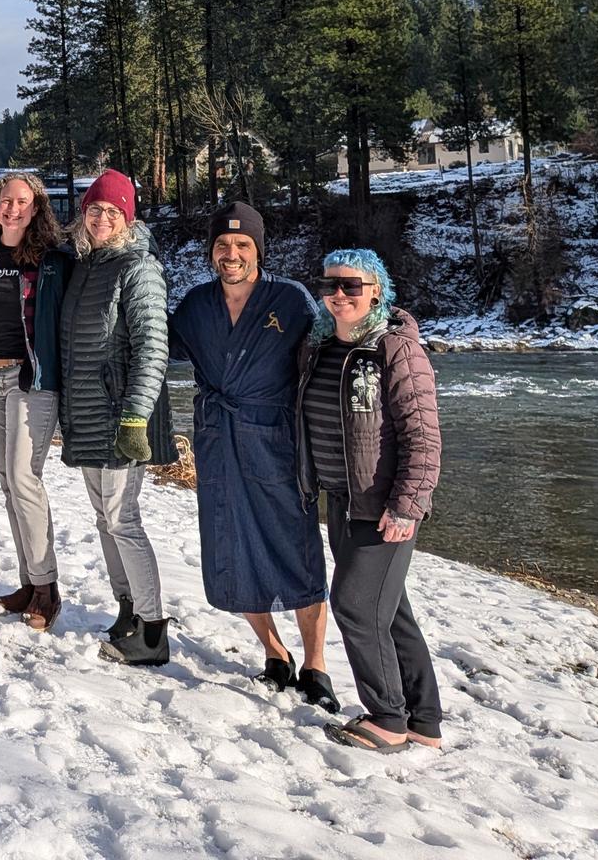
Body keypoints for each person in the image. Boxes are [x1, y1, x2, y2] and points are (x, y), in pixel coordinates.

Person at [169, 201, 335, 708]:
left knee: (297, 546)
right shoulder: (196, 306)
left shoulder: (290, 299)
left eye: (243, 245)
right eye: (222, 245)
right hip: (218, 440)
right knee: (229, 544)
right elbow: (153, 345)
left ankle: (316, 663)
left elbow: (333, 348)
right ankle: (273, 652)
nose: (232, 253)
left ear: (259, 250)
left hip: (278, 441)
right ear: (211, 252)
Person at [295, 249, 445, 752]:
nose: (338, 295)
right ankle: (424, 721)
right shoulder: (317, 345)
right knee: (389, 609)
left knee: (355, 606)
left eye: (351, 286)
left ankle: (386, 717)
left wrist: (408, 504)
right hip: (340, 500)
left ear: (377, 290)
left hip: (383, 505)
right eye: (330, 285)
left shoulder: (396, 349)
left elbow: (422, 435)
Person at [57, 169, 173, 662]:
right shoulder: (85, 265)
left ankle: (152, 631)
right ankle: (127, 608)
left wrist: (135, 418)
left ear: (128, 217)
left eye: (113, 211)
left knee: (124, 520)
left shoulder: (137, 267)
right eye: (95, 209)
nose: (102, 218)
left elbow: (152, 347)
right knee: (105, 521)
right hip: (85, 412)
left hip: (119, 413)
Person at [0, 171, 71, 630]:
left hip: (31, 381)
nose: (13, 209)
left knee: (25, 479)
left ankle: (47, 589)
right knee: (8, 483)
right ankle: (27, 583)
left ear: (36, 206)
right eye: (6, 201)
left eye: (22, 202)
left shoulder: (51, 258)